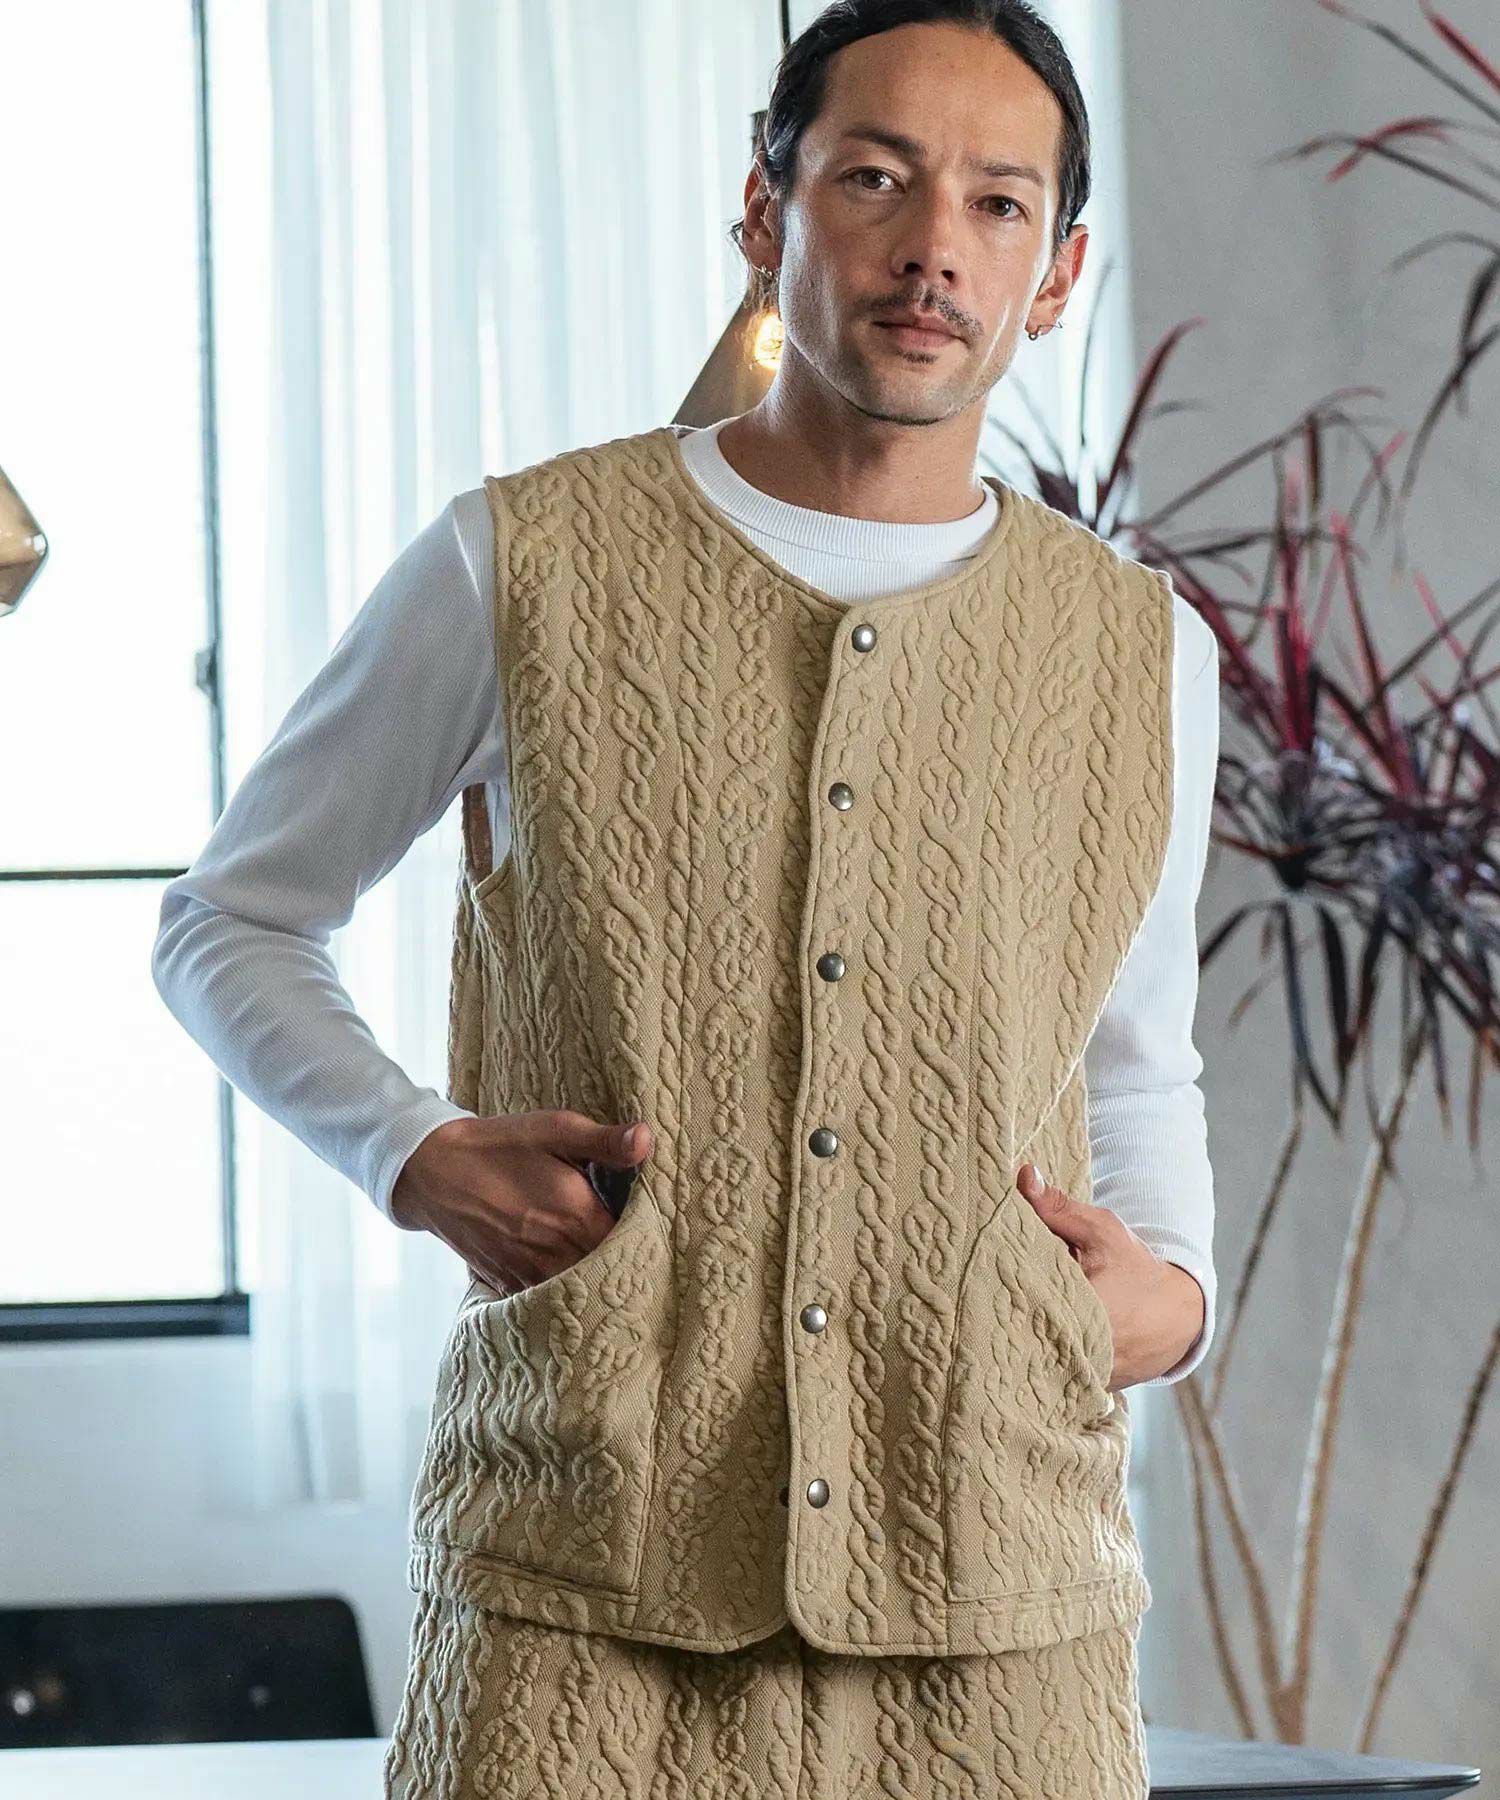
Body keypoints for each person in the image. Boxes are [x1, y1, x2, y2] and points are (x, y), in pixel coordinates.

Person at [153, 2, 1220, 1792]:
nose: (933, 247)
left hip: (1003, 1609)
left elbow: (1139, 1062)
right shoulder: (521, 561)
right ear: (764, 211)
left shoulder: (1139, 650)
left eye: (997, 203)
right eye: (873, 179)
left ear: (1055, 274)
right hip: (580, 1585)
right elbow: (230, 921)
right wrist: (410, 1152)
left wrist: (1172, 1302)